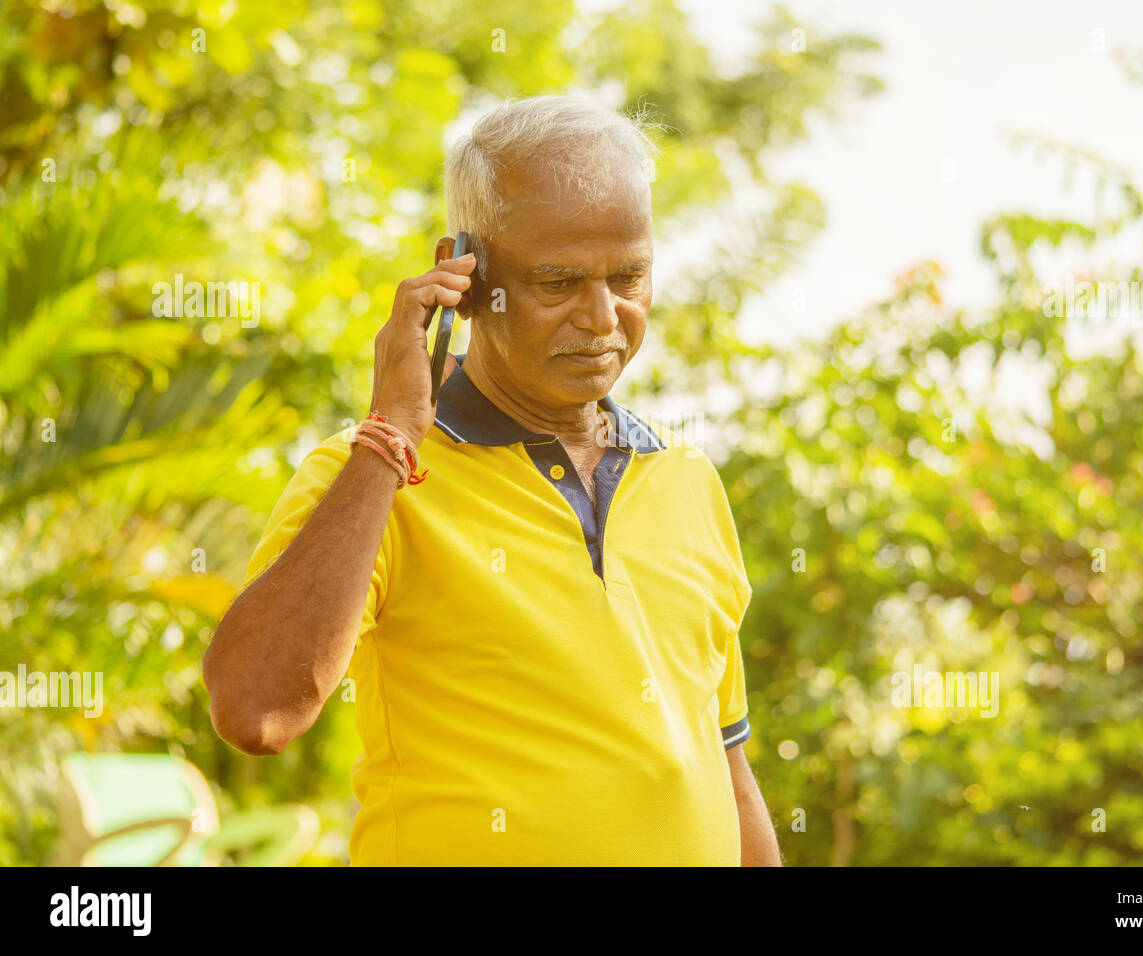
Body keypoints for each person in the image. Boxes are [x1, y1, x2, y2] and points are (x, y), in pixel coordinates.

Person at [203, 94, 780, 866]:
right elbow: (255, 710)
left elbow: (722, 762)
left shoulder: (687, 478)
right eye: (558, 282)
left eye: (629, 276)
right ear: (465, 278)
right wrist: (392, 440)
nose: (604, 317)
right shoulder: (371, 473)